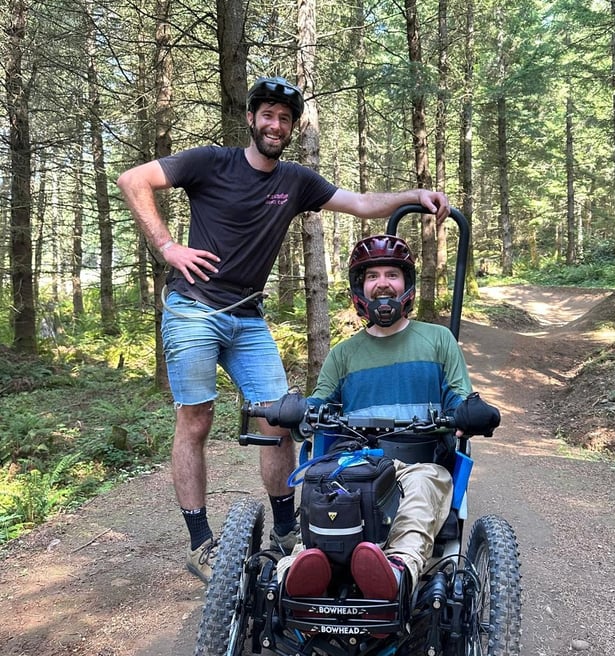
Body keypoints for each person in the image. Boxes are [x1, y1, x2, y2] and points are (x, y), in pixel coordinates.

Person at [115, 76, 450, 585]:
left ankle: (288, 531)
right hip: (193, 307)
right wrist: (167, 247)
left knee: (279, 417)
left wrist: (416, 194)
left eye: (285, 118)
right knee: (197, 419)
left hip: (248, 315)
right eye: (268, 115)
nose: (276, 125)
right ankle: (201, 542)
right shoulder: (211, 162)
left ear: (292, 128)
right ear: (251, 119)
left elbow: (360, 203)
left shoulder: (295, 181)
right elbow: (133, 179)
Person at [281, 235, 500, 601]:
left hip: (420, 461)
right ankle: (298, 572)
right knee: (323, 497)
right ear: (360, 288)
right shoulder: (343, 354)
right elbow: (318, 406)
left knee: (418, 492)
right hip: (353, 465)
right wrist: (297, 410)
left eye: (392, 274)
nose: (382, 283)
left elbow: (459, 397)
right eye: (372, 276)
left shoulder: (437, 340)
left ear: (407, 285)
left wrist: (470, 412)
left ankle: (395, 573)